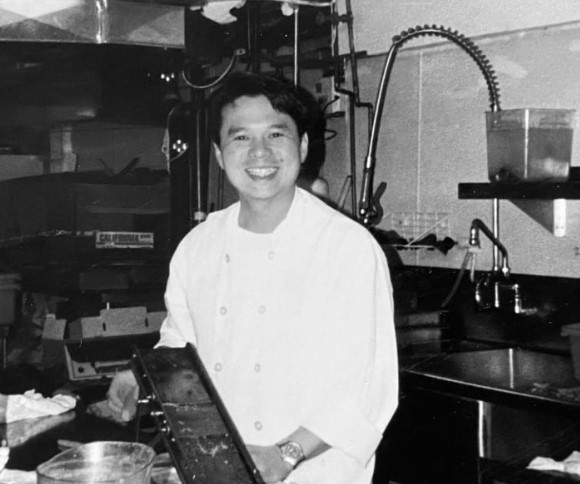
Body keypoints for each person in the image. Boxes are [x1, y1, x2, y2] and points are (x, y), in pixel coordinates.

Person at [107, 71, 398, 484]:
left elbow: (371, 389)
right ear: (221, 154)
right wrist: (142, 379)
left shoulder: (346, 248)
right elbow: (181, 344)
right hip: (217, 468)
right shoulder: (198, 245)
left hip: (315, 473)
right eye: (241, 137)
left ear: (301, 146)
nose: (260, 153)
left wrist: (287, 453)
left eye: (276, 135)